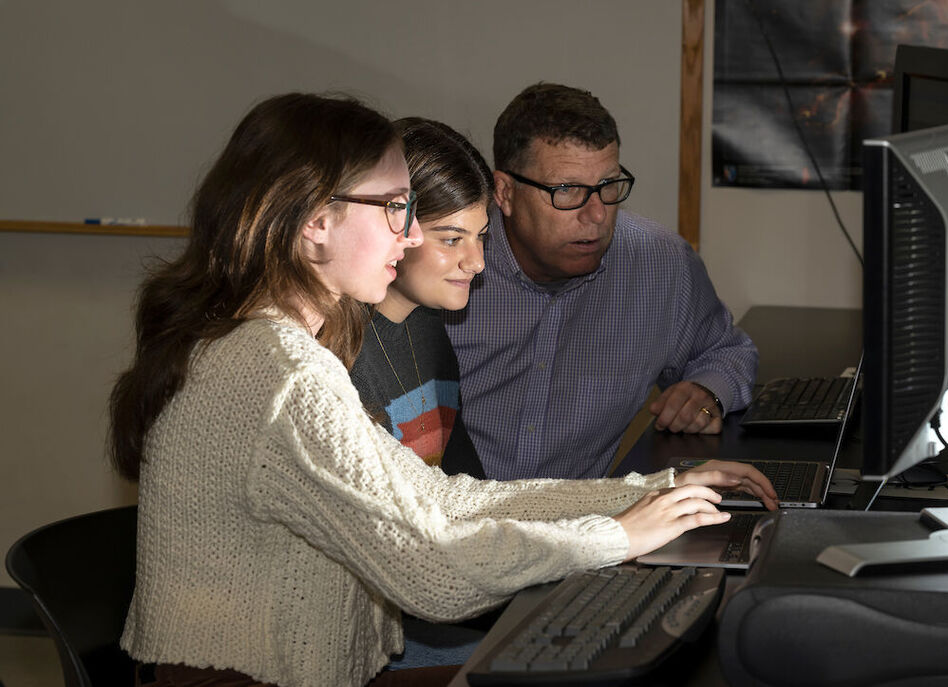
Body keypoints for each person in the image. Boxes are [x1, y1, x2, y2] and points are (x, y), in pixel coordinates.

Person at [108, 93, 777, 687]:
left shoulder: (275, 346)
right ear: (314, 222)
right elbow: (432, 569)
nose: (412, 234)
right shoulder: (281, 372)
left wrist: (644, 494)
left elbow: (439, 498)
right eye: (396, 208)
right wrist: (616, 536)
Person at [443, 82, 759, 480]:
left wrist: (707, 391)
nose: (596, 216)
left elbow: (727, 351)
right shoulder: (444, 265)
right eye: (567, 191)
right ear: (504, 192)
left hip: (588, 523)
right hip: (447, 523)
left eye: (608, 187)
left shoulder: (660, 264)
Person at [350, 117, 490, 479]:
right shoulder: (342, 355)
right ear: (396, 227)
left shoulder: (430, 330)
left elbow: (465, 481)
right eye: (451, 239)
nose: (477, 263)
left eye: (481, 236)